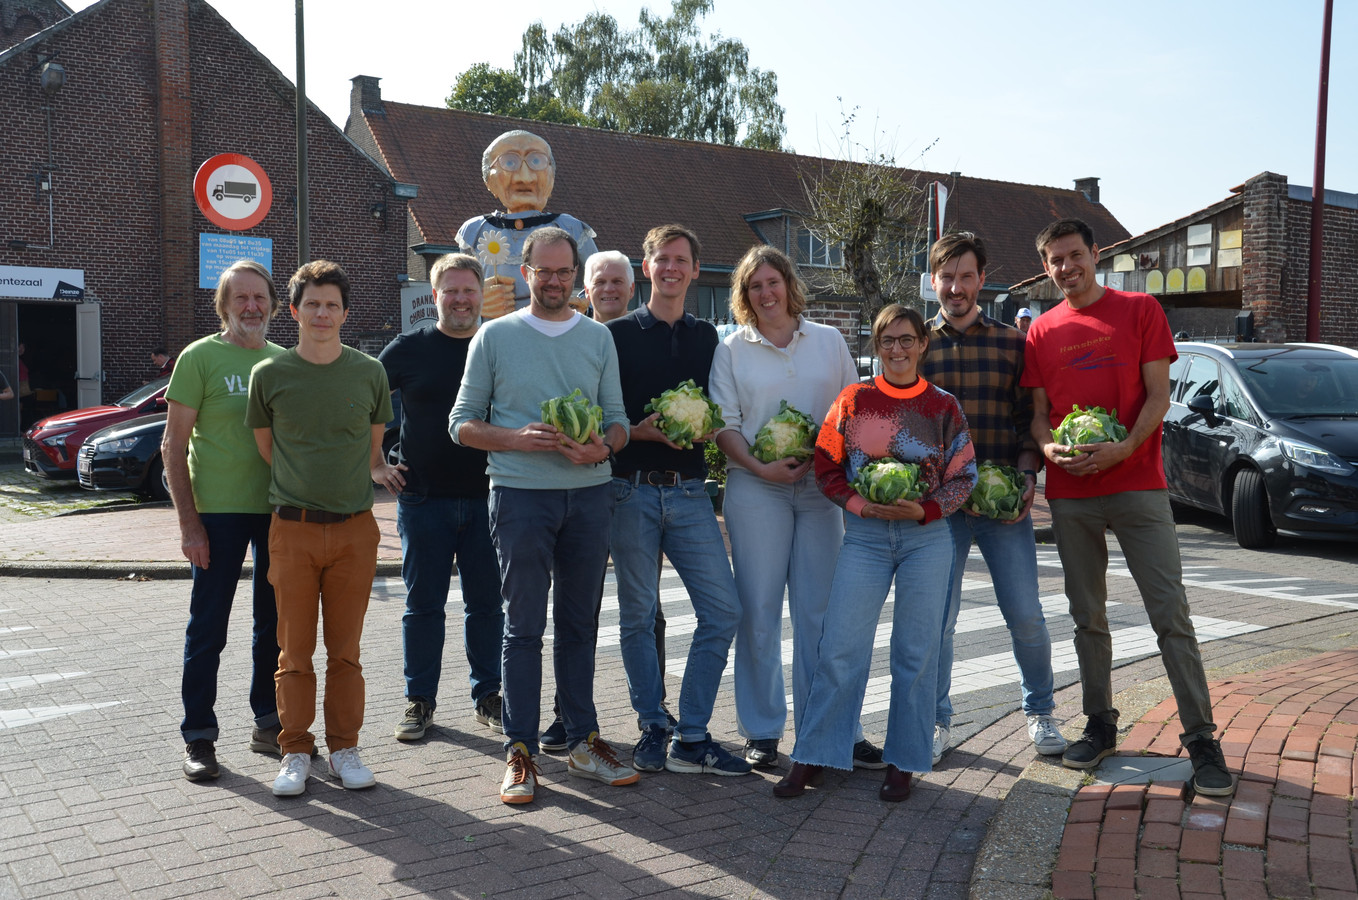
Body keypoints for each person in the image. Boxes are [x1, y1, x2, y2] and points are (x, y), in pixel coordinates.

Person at [1022, 218, 1234, 797]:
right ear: (1046, 268)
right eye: (1055, 261)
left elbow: (1160, 397)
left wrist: (1121, 448)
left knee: (1171, 613)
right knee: (1087, 615)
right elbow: (1039, 413)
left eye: (1074, 256)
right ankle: (1100, 723)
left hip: (1137, 484)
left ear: (1095, 255)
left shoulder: (1140, 312)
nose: (1066, 268)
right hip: (1071, 495)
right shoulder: (1041, 332)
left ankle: (1201, 739)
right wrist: (1047, 448)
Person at [449, 226, 637, 805]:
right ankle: (520, 750)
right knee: (523, 626)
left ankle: (582, 739)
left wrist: (602, 447)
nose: (553, 281)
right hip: (520, 495)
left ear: (574, 276)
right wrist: (515, 439)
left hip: (588, 495)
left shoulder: (598, 339)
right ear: (524, 272)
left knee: (580, 624)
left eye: (563, 272)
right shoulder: (493, 337)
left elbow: (618, 421)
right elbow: (461, 423)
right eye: (543, 271)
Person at [776, 305, 976, 802]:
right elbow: (826, 466)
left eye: (906, 339)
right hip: (864, 539)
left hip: (925, 540)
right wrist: (861, 505)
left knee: (916, 650)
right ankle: (816, 754)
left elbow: (964, 476)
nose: (897, 349)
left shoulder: (943, 406)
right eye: (887, 340)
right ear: (876, 345)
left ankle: (904, 759)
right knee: (840, 647)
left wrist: (926, 511)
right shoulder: (853, 400)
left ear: (923, 343)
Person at [709, 245, 883, 770]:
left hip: (818, 492)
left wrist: (832, 467)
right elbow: (725, 425)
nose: (766, 293)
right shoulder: (732, 349)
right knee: (758, 611)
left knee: (821, 616)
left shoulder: (827, 342)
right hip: (755, 488)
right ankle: (762, 730)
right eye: (754, 286)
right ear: (744, 295)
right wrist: (760, 468)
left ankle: (833, 726)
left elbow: (854, 410)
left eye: (773, 282)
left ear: (789, 285)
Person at [246, 260, 398, 798]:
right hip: (293, 528)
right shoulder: (270, 376)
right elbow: (269, 450)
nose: (322, 313)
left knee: (346, 650)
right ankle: (294, 750)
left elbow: (372, 447)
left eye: (332, 304)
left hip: (356, 529)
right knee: (293, 650)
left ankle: (345, 748)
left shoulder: (369, 372)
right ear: (293, 311)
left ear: (345, 312)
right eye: (312, 303)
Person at [606, 224, 751, 778]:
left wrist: (710, 433)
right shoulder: (615, 335)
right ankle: (652, 725)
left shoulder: (707, 339)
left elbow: (719, 413)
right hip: (630, 492)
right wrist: (640, 432)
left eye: (681, 260)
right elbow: (605, 414)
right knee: (638, 617)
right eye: (662, 259)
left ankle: (692, 733)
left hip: (691, 492)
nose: (671, 268)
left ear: (695, 269)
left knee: (723, 610)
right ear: (647, 268)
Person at [919, 233, 1064, 767]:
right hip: (938, 508)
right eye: (946, 277)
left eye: (965, 276)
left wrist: (1029, 476)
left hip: (1004, 506)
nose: (955, 287)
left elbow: (1032, 418)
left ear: (982, 279)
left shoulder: (1011, 343)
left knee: (1026, 615)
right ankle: (935, 721)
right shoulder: (918, 344)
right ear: (933, 280)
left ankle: (1042, 711)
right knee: (939, 620)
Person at [165, 261, 287, 782]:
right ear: (224, 306)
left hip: (278, 513)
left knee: (273, 628)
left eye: (260, 298)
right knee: (208, 627)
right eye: (240, 298)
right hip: (216, 516)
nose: (251, 307)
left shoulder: (285, 361)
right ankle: (199, 736)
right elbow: (172, 445)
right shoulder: (199, 358)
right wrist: (189, 524)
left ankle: (267, 722)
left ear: (274, 306)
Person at [538, 248, 662, 752]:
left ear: (632, 287)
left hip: (637, 490)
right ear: (583, 290)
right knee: (576, 609)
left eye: (618, 280)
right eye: (600, 281)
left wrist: (632, 433)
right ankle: (566, 715)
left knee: (646, 610)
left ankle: (654, 713)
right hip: (580, 488)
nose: (609, 289)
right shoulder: (571, 339)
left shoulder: (646, 336)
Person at [378, 253, 504, 743]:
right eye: (450, 290)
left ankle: (488, 696)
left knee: (487, 606)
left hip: (489, 499)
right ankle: (419, 701)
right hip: (422, 500)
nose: (460, 299)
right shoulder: (408, 349)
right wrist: (376, 461)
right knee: (423, 606)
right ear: (434, 297)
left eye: (468, 290)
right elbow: (363, 399)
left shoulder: (498, 344)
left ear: (480, 295)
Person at [457, 130, 599, 319]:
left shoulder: (569, 228)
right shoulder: (475, 231)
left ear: (551, 175)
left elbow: (600, 279)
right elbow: (456, 288)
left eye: (536, 162)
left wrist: (579, 304)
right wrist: (477, 300)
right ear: (489, 179)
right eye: (509, 163)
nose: (524, 177)